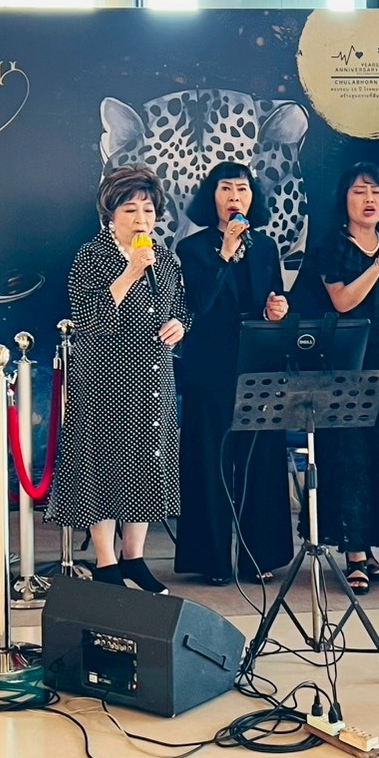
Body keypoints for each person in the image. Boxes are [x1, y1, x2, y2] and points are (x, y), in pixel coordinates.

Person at [47, 165, 190, 593]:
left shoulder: (165, 258)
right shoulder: (91, 256)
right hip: (104, 377)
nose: (141, 219)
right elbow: (88, 318)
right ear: (111, 215)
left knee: (146, 460)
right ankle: (106, 561)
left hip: (153, 375)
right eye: (130, 210)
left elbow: (181, 308)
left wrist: (180, 326)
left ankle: (134, 558)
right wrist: (129, 273)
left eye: (148, 210)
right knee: (104, 462)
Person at [173, 161, 291, 586]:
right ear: (213, 197)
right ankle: (213, 561)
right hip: (211, 364)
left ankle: (260, 555)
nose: (234, 197)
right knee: (210, 460)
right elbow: (197, 305)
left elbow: (274, 298)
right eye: (226, 188)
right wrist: (224, 252)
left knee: (261, 459)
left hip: (258, 362)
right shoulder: (193, 249)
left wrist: (278, 309)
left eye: (242, 189)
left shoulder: (266, 247)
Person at [312, 162, 379, 594]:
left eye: (376, 191)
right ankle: (353, 552)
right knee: (350, 453)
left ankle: (372, 544)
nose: (369, 199)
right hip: (346, 359)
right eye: (359, 192)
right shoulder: (331, 246)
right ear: (344, 200)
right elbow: (343, 301)